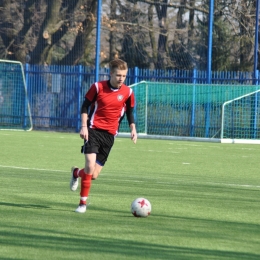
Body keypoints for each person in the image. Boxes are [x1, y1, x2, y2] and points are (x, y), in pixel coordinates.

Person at [70, 59, 137, 213]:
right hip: (93, 130)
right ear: (111, 73)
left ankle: (76, 173)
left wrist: (133, 129)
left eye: (124, 76)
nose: (121, 78)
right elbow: (85, 106)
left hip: (110, 136)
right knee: (89, 165)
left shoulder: (128, 92)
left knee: (92, 175)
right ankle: (82, 204)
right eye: (118, 75)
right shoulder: (98, 87)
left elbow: (129, 112)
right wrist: (84, 127)